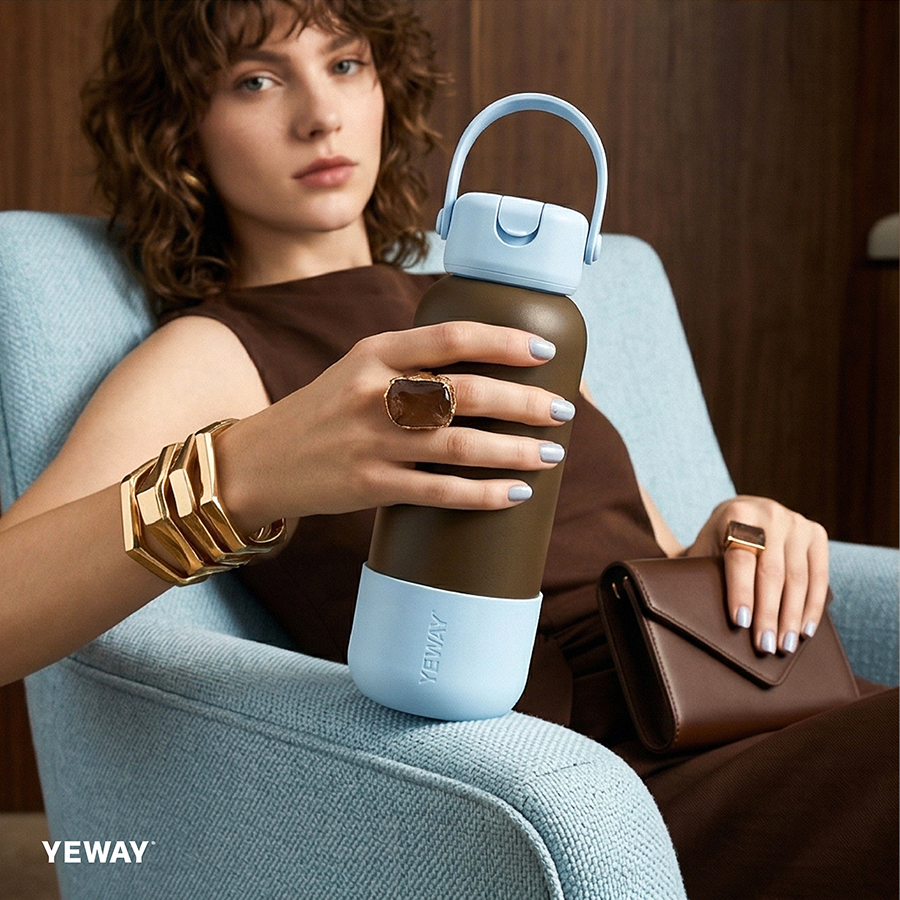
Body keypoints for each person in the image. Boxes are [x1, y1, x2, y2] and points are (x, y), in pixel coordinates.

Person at [1, 1, 896, 898]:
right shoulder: (214, 353)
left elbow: (642, 553)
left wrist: (740, 532)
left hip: (738, 710)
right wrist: (246, 471)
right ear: (178, 126)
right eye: (257, 80)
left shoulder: (509, 307)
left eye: (345, 65)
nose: (321, 114)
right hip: (593, 782)